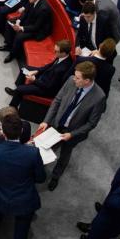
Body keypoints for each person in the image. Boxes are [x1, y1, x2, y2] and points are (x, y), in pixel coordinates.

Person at [38, 61, 107, 191]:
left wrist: (72, 134)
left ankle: (55, 176)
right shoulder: (71, 80)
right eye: (75, 76)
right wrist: (46, 121)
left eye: (77, 78)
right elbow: (57, 100)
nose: (74, 79)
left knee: (64, 155)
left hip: (73, 133)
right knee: (46, 147)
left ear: (87, 80)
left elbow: (92, 123)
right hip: (56, 124)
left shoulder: (99, 97)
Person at [0, 116, 47, 239]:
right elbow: (41, 178)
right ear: (21, 131)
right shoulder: (33, 153)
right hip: (25, 201)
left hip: (1, 197)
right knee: (21, 235)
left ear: (3, 133)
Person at [5, 39, 73, 104]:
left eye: (56, 51)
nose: (54, 52)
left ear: (64, 53)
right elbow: (49, 66)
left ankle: (13, 106)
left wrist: (34, 80)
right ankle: (16, 91)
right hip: (45, 77)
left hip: (46, 89)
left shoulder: (62, 69)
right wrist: (37, 71)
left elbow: (49, 87)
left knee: (20, 89)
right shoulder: (62, 56)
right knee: (24, 69)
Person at [0, 0, 53, 64]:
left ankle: (12, 54)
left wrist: (21, 28)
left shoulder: (43, 9)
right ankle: (8, 45)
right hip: (31, 21)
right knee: (9, 22)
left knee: (19, 36)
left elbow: (36, 27)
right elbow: (25, 12)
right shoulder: (32, 0)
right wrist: (18, 21)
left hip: (39, 30)